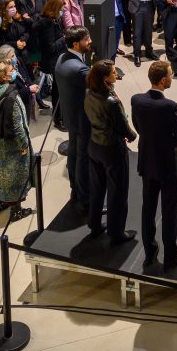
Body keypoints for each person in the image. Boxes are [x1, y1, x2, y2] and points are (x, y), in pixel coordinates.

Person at [130, 61, 177, 269]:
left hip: (147, 161)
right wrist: (166, 143)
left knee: (148, 208)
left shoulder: (137, 100)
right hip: (168, 164)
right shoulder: (169, 106)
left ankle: (149, 252)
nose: (172, 77)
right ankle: (171, 255)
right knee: (169, 210)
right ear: (164, 80)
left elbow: (137, 126)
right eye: (171, 74)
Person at [84, 59, 137, 244]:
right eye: (114, 72)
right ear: (105, 77)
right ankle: (116, 232)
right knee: (118, 191)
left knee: (97, 188)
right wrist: (132, 136)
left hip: (94, 145)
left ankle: (94, 224)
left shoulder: (89, 93)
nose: (117, 74)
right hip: (112, 149)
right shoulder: (111, 101)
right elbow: (122, 125)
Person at [0, 59, 34, 220]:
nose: (14, 72)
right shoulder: (10, 96)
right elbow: (17, 126)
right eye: (12, 70)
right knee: (13, 176)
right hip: (9, 145)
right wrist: (24, 145)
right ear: (4, 77)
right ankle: (16, 211)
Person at [56, 27, 92, 211]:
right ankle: (85, 199)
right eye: (87, 39)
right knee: (82, 159)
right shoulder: (79, 69)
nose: (90, 41)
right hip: (81, 120)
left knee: (74, 154)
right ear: (76, 44)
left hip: (70, 117)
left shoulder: (62, 59)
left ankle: (75, 191)